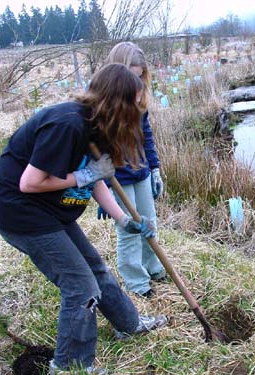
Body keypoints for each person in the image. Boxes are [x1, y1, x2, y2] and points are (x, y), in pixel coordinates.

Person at [0, 63, 167, 375]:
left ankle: (129, 324)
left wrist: (124, 220)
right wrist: (83, 174)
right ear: (116, 101)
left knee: (95, 268)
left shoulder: (99, 127)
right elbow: (29, 182)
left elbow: (97, 180)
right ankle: (70, 366)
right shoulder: (67, 124)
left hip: (51, 212)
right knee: (81, 287)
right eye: (133, 101)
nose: (138, 108)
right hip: (21, 213)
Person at [97, 42, 166, 299]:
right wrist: (102, 190)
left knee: (149, 222)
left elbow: (145, 135)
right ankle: (136, 282)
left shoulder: (139, 99)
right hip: (118, 176)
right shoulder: (101, 104)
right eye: (131, 76)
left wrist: (155, 168)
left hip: (142, 172)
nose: (135, 84)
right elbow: (97, 148)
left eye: (139, 77)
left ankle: (153, 267)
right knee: (129, 230)